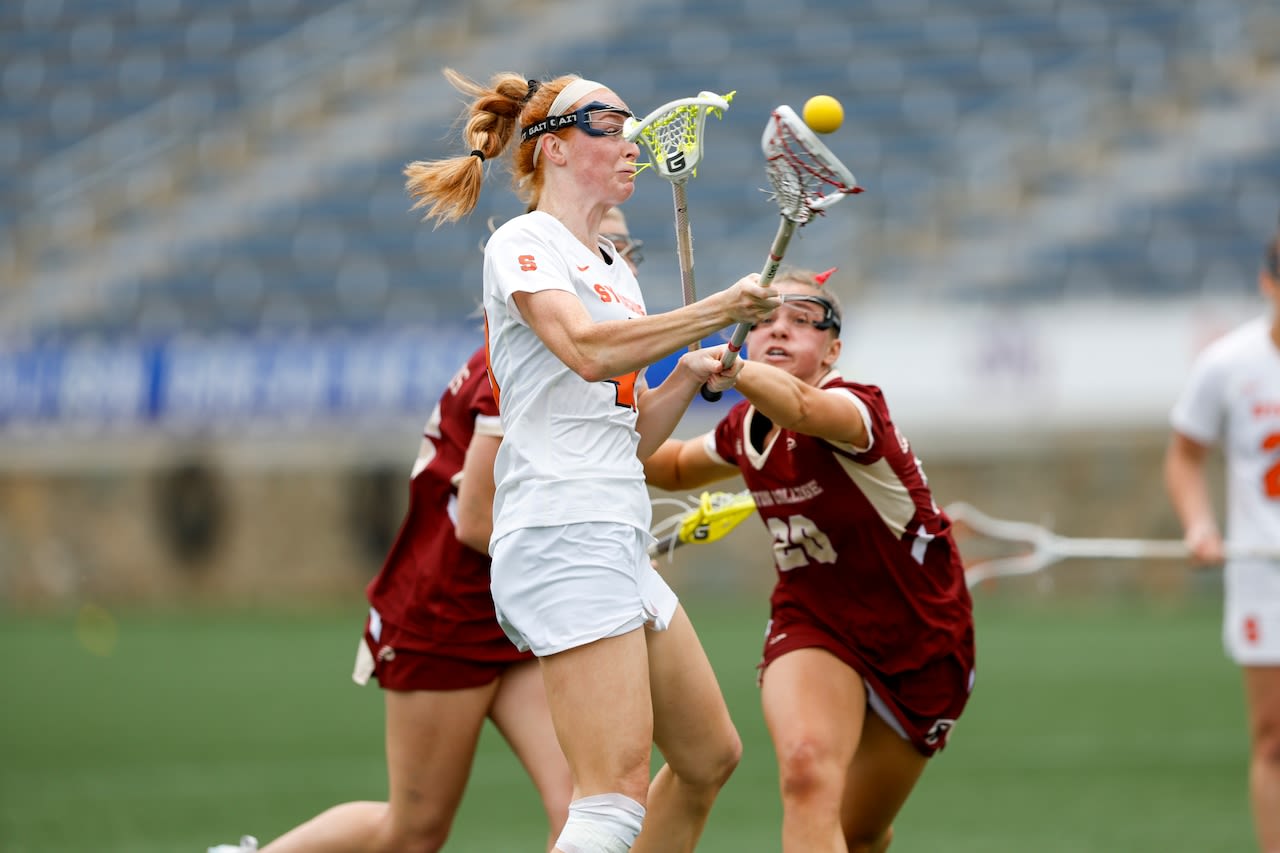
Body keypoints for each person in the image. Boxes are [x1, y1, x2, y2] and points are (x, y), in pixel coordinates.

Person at [400, 68, 780, 853]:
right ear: (555, 149)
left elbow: (627, 438)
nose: (633, 140)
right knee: (610, 800)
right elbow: (582, 350)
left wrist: (681, 374)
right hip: (562, 528)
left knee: (710, 754)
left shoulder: (616, 270)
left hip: (610, 526)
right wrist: (712, 311)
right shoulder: (523, 243)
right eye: (612, 124)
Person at [208, 206, 645, 853]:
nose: (620, 261)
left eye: (625, 247)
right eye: (602, 245)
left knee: (591, 805)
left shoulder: (578, 363)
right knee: (413, 831)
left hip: (518, 607)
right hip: (447, 609)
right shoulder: (519, 364)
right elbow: (475, 521)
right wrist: (585, 554)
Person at [643, 267, 976, 853]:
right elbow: (667, 468)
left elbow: (799, 408)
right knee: (805, 772)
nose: (779, 331)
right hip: (814, 620)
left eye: (802, 321)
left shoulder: (854, 407)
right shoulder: (744, 425)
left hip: (921, 635)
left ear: (832, 348)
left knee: (857, 831)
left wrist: (737, 370)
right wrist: (588, 425)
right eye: (764, 319)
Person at [1165, 230, 1280, 853]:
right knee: (1274, 738)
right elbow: (1184, 457)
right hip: (1265, 576)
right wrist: (1200, 525)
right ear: (1269, 284)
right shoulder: (1229, 365)